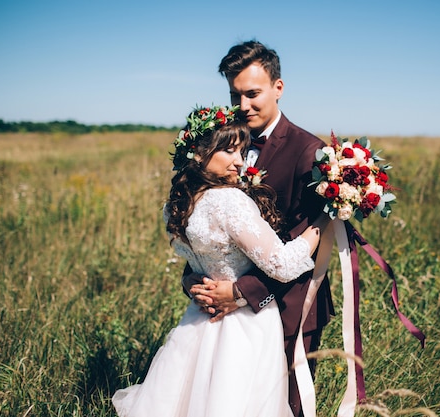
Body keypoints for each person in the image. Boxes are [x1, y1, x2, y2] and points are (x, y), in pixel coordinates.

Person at [112, 106, 328, 416]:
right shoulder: (228, 201)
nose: (239, 161)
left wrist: (192, 282)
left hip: (200, 319)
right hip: (245, 327)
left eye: (242, 151)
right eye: (228, 151)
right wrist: (322, 221)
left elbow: (196, 264)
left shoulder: (176, 205)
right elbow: (282, 266)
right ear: (198, 153)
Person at [183, 40, 334, 416]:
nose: (243, 106)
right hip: (224, 318)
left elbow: (305, 244)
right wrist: (195, 283)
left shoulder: (308, 152)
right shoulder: (221, 147)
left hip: (290, 306)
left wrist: (241, 292)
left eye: (253, 94)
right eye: (235, 96)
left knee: (284, 406)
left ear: (278, 88)